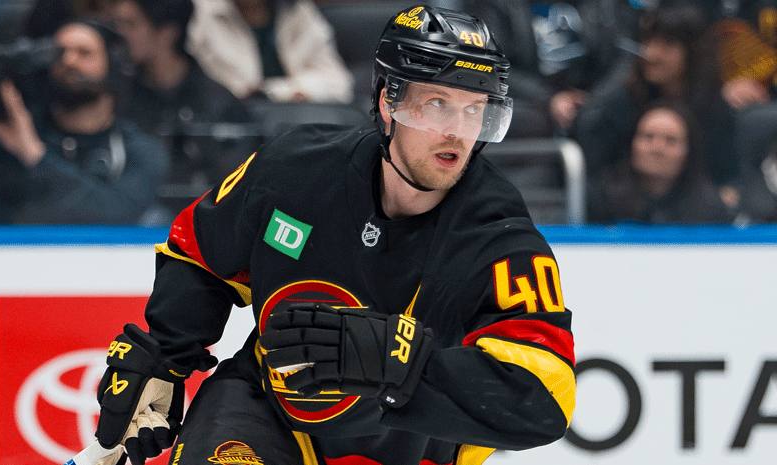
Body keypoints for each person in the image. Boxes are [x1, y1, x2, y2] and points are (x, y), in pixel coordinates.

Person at [91, 5, 575, 465]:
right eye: (437, 105)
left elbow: (545, 398)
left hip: (406, 444)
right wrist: (164, 354)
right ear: (388, 102)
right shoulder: (295, 168)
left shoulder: (500, 239)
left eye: (475, 111)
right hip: (268, 410)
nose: (457, 132)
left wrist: (400, 364)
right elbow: (201, 253)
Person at [0, 19, 168, 224]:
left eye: (84, 53)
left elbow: (115, 214)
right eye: (59, 53)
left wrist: (35, 156)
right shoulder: (10, 140)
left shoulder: (139, 151)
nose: (68, 61)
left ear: (113, 66)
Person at [573, 2, 742, 209]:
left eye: (667, 44)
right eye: (648, 40)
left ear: (692, 52)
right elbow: (598, 176)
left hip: (693, 218)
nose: (652, 54)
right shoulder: (619, 101)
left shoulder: (713, 105)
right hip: (624, 213)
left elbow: (729, 178)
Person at [107, 0, 258, 223]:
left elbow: (239, 182)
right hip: (132, 219)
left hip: (205, 221)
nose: (120, 35)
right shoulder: (117, 95)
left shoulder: (217, 101)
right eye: (116, 24)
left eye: (130, 24)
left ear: (167, 32)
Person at [466, 0, 640, 139]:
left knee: (610, 113)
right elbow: (489, 65)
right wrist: (549, 99)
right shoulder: (498, 5)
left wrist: (594, 99)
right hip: (528, 100)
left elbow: (623, 59)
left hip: (589, 98)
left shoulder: (603, 5)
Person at [586, 99, 734, 224]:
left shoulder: (710, 208)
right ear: (632, 143)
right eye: (648, 137)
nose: (657, 148)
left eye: (670, 140)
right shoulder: (599, 198)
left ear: (688, 151)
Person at [186, 0, 355, 103]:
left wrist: (275, 93)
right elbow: (205, 90)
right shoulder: (198, 13)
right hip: (230, 138)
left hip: (298, 129)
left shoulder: (298, 9)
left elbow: (338, 84)